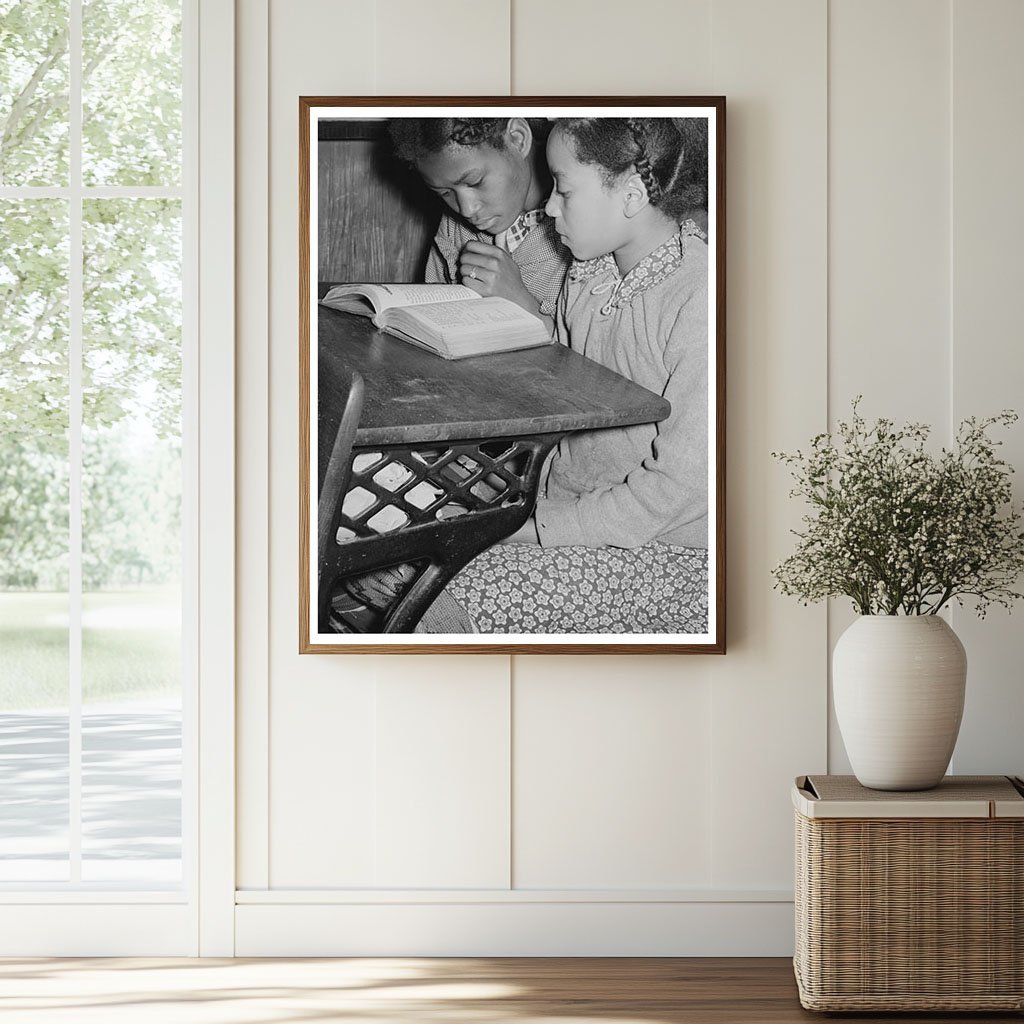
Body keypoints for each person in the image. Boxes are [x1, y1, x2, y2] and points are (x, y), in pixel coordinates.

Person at [434, 117, 711, 634]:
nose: (551, 207)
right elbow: (573, 368)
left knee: (444, 598)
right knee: (408, 568)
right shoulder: (593, 273)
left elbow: (682, 489)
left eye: (563, 188)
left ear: (631, 194)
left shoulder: (700, 296)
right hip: (571, 511)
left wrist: (529, 529)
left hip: (669, 551)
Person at [387, 117, 571, 329]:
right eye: (445, 193)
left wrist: (520, 302)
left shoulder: (583, 231)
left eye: (475, 182)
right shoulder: (454, 227)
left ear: (517, 139)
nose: (466, 209)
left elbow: (592, 356)